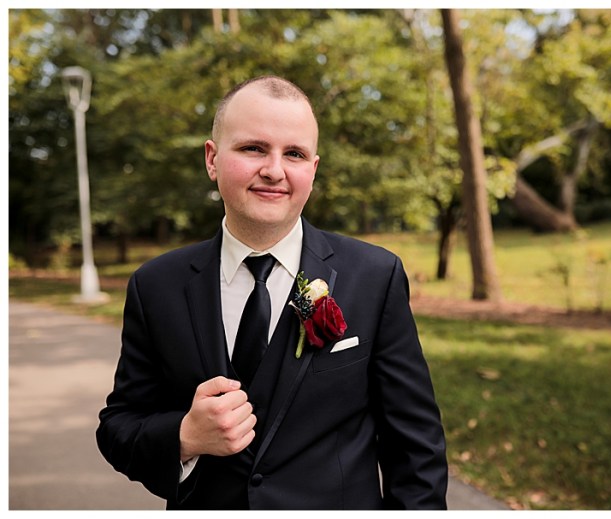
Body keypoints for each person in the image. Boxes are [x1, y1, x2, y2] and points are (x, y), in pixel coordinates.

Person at [96, 75, 448, 510]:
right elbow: (119, 425)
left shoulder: (375, 276)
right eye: (253, 148)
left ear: (312, 170)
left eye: (294, 154)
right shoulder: (155, 285)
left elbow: (415, 445)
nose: (274, 170)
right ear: (212, 159)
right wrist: (184, 437)